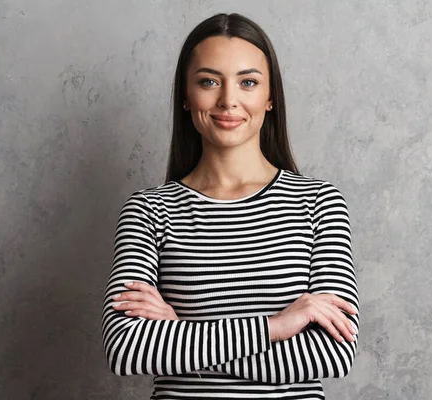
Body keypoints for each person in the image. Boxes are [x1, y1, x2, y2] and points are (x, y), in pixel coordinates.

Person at [101, 12, 360, 399]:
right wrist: (275, 327)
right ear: (186, 98)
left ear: (270, 98)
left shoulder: (319, 202)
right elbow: (125, 349)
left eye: (248, 82)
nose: (228, 100)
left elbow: (332, 354)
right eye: (208, 81)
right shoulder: (148, 210)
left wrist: (178, 335)